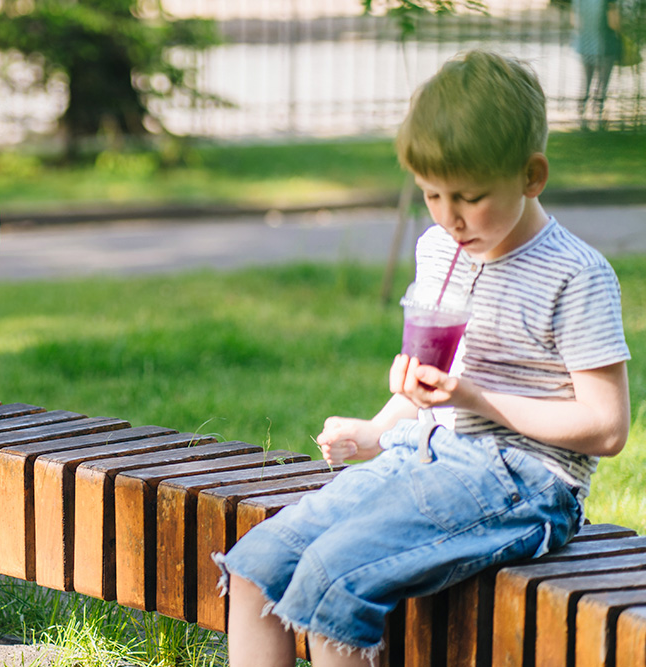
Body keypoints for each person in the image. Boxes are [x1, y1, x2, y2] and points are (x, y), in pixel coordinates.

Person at [214, 50, 630, 667]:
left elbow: (607, 426)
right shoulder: (439, 249)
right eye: (431, 193)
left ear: (531, 176)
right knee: (257, 565)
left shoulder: (576, 274)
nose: (449, 216)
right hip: (425, 454)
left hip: (526, 481)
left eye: (468, 196)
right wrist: (379, 430)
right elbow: (430, 380)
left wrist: (476, 399)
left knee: (334, 580)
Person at [572, 0, 623, 129]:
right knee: (602, 84)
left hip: (585, 45)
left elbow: (575, 21)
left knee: (586, 83)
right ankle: (598, 115)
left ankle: (581, 115)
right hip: (605, 45)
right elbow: (613, 23)